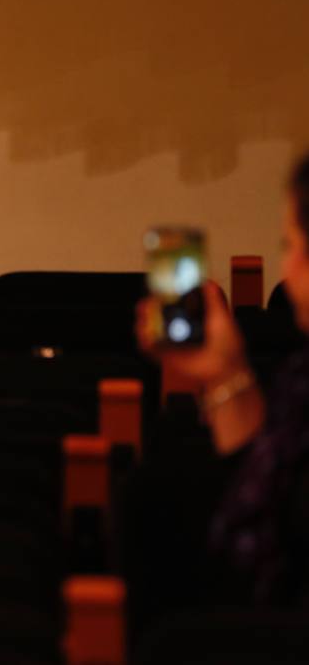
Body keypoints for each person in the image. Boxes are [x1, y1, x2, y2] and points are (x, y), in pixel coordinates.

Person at [137, 152, 309, 604]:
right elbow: (262, 507)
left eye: (291, 246)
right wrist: (224, 375)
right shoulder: (299, 376)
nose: (287, 271)